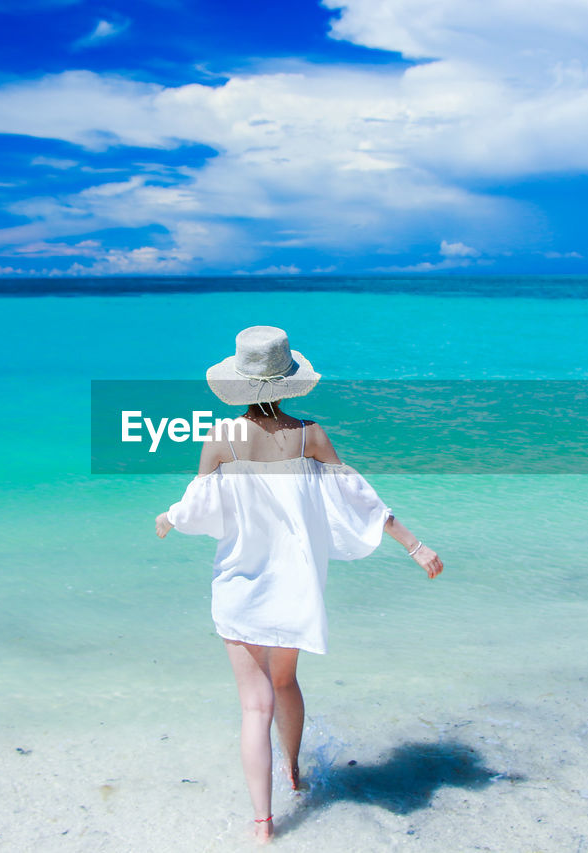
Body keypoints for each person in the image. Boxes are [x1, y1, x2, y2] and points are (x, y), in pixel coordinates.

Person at [154, 325, 443, 844]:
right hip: (294, 591)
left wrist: (167, 519)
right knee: (284, 683)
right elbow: (361, 499)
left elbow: (197, 504)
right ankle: (294, 773)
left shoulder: (221, 438)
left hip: (240, 588)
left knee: (253, 705)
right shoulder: (311, 435)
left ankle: (264, 825)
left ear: (238, 384)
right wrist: (415, 546)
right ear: (288, 381)